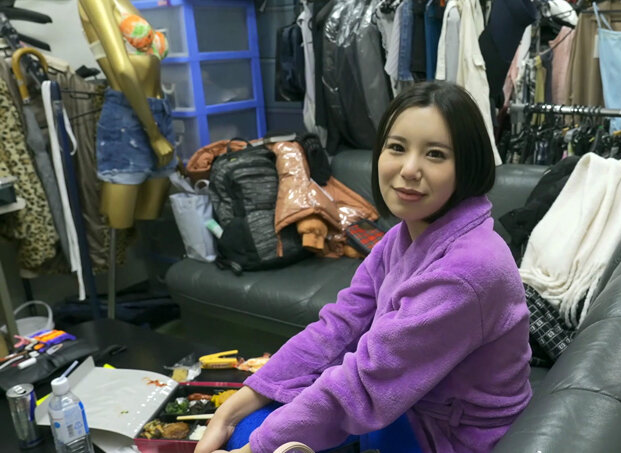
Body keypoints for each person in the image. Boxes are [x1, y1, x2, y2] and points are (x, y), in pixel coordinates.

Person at [195, 81, 532, 453]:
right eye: (397, 147)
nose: (409, 169)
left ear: (466, 166)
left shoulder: (466, 270)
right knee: (244, 425)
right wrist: (232, 407)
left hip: (448, 436)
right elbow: (338, 327)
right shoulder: (405, 235)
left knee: (253, 437)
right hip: (406, 403)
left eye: (435, 154)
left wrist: (254, 448)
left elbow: (366, 384)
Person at [78, 0, 175, 229]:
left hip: (158, 112)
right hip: (128, 117)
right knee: (117, 226)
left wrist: (160, 128)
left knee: (150, 222)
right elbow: (122, 68)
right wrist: (154, 135)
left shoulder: (125, 2)